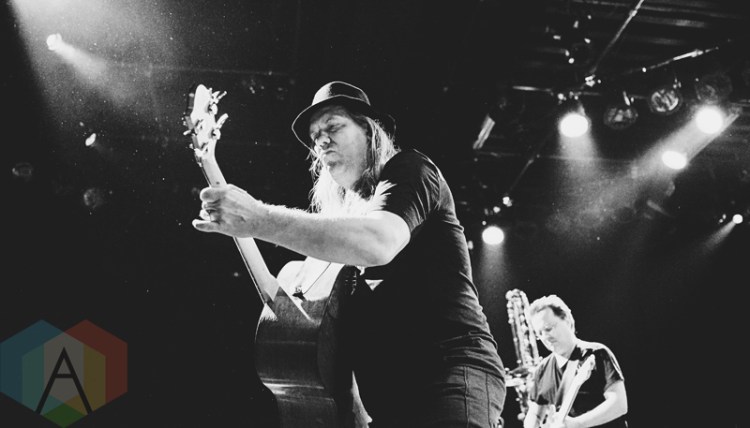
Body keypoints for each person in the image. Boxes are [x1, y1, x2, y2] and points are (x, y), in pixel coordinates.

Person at [193, 80, 507, 427]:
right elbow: (294, 314)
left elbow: (378, 243)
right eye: (315, 136)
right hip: (389, 397)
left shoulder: (410, 170)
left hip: (449, 371)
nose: (321, 141)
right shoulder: (338, 229)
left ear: (370, 131)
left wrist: (260, 218)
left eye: (333, 127)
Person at [522, 295, 628, 428]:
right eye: (539, 334)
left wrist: (578, 423)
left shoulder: (596, 354)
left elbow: (619, 404)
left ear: (567, 320)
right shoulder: (542, 369)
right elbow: (535, 414)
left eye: (548, 329)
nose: (545, 337)